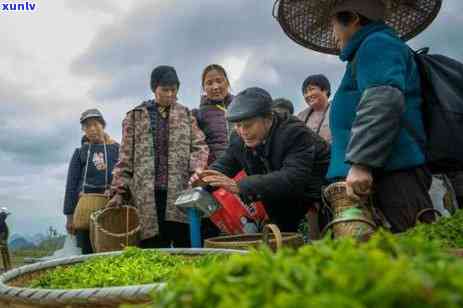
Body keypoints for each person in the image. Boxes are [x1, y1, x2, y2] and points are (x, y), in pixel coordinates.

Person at [276, 0, 441, 232]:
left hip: (393, 173)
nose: (333, 34)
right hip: (378, 173)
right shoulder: (365, 50)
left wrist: (362, 163)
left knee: (413, 249)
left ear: (352, 18)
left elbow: (382, 101)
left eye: (333, 25)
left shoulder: (377, 44)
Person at [191, 87, 330, 232]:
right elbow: (226, 164)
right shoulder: (238, 138)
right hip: (277, 190)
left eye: (248, 125)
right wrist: (204, 180)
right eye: (238, 125)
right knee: (280, 234)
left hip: (316, 186)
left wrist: (240, 186)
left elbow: (294, 177)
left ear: (268, 119)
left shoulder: (294, 132)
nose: (243, 132)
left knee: (318, 234)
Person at [108, 65, 209, 248]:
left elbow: (200, 146)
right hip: (147, 197)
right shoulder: (135, 117)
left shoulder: (186, 115)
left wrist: (197, 170)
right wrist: (118, 191)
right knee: (152, 248)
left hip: (179, 194)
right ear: (154, 88)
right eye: (165, 90)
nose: (170, 94)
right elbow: (125, 158)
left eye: (174, 89)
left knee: (183, 245)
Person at [63, 109, 119, 254]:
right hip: (84, 209)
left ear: (103, 125)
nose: (92, 129)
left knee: (109, 250)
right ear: (83, 130)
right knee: (86, 253)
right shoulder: (80, 152)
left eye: (96, 124)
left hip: (110, 207)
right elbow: (71, 184)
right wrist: (69, 216)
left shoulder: (117, 149)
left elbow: (124, 177)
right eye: (87, 126)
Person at [193, 64, 234, 165]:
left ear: (227, 83)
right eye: (209, 83)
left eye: (219, 81)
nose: (215, 87)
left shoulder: (242, 106)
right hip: (218, 169)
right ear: (204, 88)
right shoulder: (198, 115)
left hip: (245, 168)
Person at [297, 74, 332, 143]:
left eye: (311, 89)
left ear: (325, 90)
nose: (308, 95)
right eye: (305, 92)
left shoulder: (338, 111)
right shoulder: (300, 117)